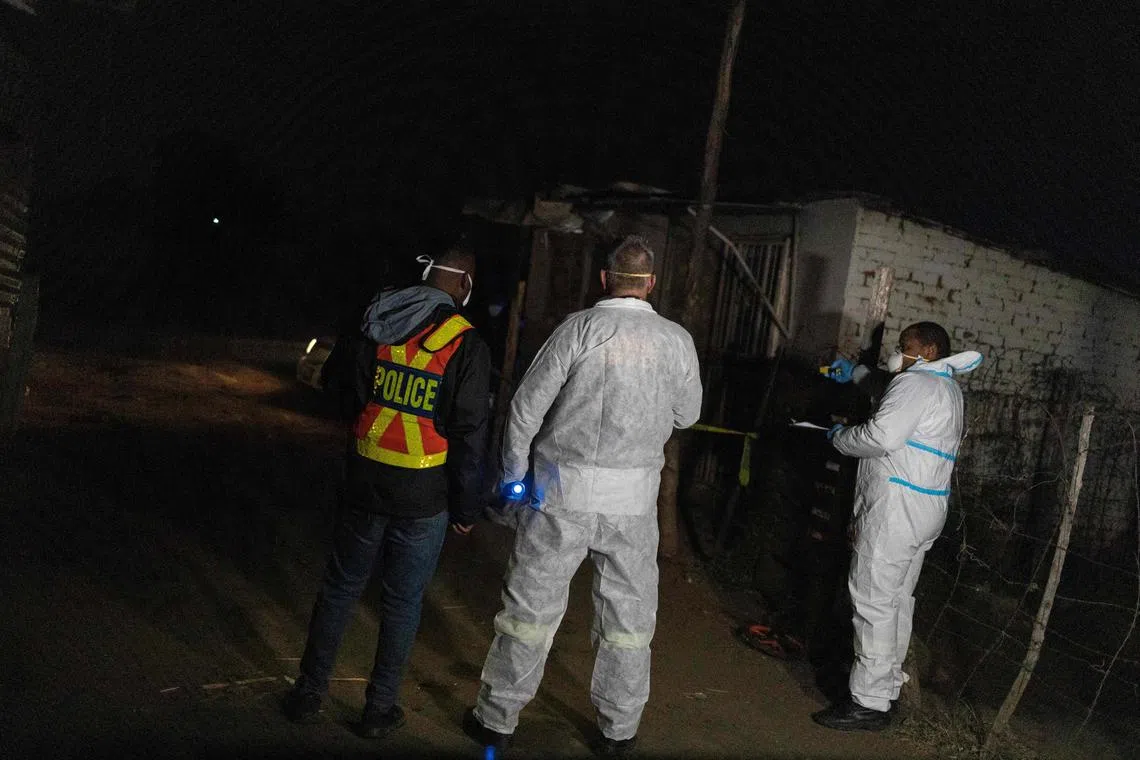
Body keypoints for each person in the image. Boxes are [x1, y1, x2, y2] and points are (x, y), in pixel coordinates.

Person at [462, 235, 703, 757]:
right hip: (633, 504)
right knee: (628, 623)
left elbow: (526, 408)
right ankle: (619, 731)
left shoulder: (578, 330)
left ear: (604, 279)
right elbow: (688, 415)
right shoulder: (676, 341)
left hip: (561, 496)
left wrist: (513, 477)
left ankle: (496, 720)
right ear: (652, 283)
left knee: (530, 610)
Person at [282, 243, 492, 739]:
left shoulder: (377, 316)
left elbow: (336, 387)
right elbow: (469, 434)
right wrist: (466, 508)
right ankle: (377, 711)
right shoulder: (465, 343)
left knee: (340, 588)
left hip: (364, 484)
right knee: (401, 603)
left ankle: (308, 694)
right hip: (423, 497)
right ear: (464, 284)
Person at [812, 322, 981, 731]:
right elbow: (893, 395)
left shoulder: (915, 384)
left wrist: (841, 437)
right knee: (897, 601)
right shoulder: (945, 388)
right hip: (924, 509)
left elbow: (881, 436)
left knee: (872, 600)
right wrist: (857, 374)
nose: (897, 352)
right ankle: (885, 687)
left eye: (905, 346)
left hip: (895, 511)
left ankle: (867, 703)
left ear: (928, 350)